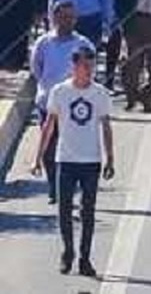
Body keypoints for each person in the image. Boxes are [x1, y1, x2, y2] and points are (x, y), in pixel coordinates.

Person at [33, 44, 115, 277]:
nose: (88, 71)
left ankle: (85, 258)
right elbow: (49, 126)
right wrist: (38, 157)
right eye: (84, 66)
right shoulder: (60, 92)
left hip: (91, 161)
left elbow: (106, 126)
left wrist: (110, 158)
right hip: (66, 159)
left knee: (88, 211)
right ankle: (68, 251)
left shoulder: (100, 93)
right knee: (64, 209)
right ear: (74, 66)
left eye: (91, 66)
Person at [29, 1, 93, 204]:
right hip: (48, 103)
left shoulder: (83, 44)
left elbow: (90, 70)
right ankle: (53, 187)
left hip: (74, 106)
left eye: (72, 17)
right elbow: (36, 68)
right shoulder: (43, 43)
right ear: (54, 18)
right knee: (49, 147)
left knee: (69, 149)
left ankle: (68, 189)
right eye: (64, 17)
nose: (69, 21)